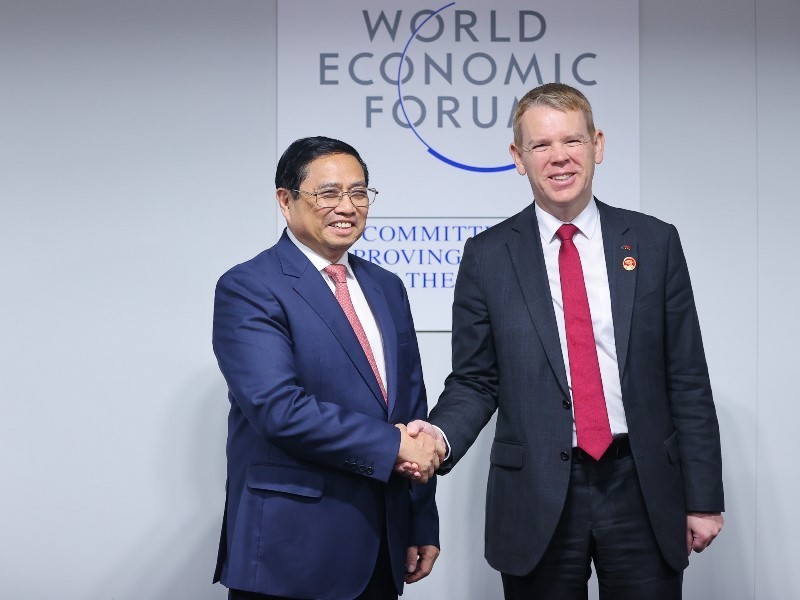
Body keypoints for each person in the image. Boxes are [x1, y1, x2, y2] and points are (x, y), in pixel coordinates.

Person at [403, 83, 724, 599]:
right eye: (541, 146)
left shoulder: (655, 242)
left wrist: (704, 497)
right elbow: (476, 381)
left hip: (641, 486)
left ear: (597, 145)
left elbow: (686, 376)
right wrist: (437, 439)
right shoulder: (486, 257)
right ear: (517, 157)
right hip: (536, 493)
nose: (559, 158)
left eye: (572, 141)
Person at [212, 136, 442, 600]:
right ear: (285, 200)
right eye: (328, 193)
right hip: (290, 551)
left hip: (382, 545)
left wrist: (420, 518)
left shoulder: (387, 287)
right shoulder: (250, 287)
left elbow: (411, 410)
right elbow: (279, 409)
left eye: (359, 193)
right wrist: (393, 443)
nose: (347, 206)